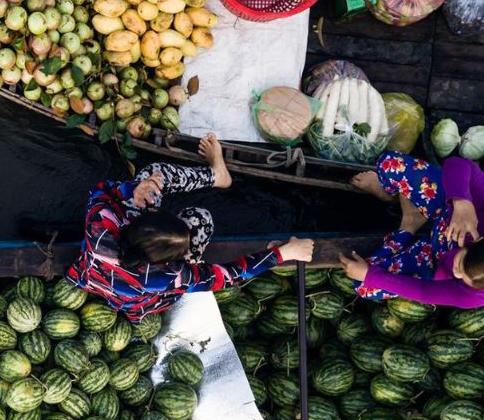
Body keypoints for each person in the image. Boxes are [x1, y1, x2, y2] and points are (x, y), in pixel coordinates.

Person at [67, 133, 315, 322]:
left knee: (152, 176)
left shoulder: (101, 225)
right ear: (172, 262)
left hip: (93, 279)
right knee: (200, 219)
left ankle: (217, 176)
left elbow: (99, 191)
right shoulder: (171, 276)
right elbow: (228, 276)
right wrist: (282, 254)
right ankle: (215, 181)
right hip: (144, 298)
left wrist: (134, 190)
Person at [338, 151, 484, 308]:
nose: (457, 275)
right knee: (390, 163)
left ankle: (408, 226)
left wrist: (369, 276)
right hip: (448, 210)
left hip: (434, 259)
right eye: (460, 265)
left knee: (364, 286)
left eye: (462, 278)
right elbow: (458, 164)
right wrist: (462, 201)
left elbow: (424, 291)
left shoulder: (478, 295)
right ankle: (391, 196)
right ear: (478, 240)